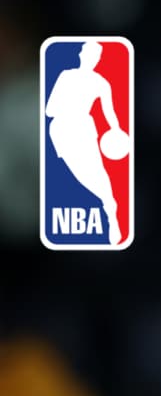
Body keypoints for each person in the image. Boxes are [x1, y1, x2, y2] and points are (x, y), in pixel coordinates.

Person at [44, 40, 125, 245]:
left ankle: (111, 210)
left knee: (98, 175)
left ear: (98, 59)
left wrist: (115, 130)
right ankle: (107, 205)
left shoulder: (101, 83)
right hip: (61, 131)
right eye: (87, 53)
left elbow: (109, 112)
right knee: (77, 175)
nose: (90, 58)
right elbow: (49, 109)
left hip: (84, 130)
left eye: (94, 55)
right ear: (81, 55)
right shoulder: (66, 76)